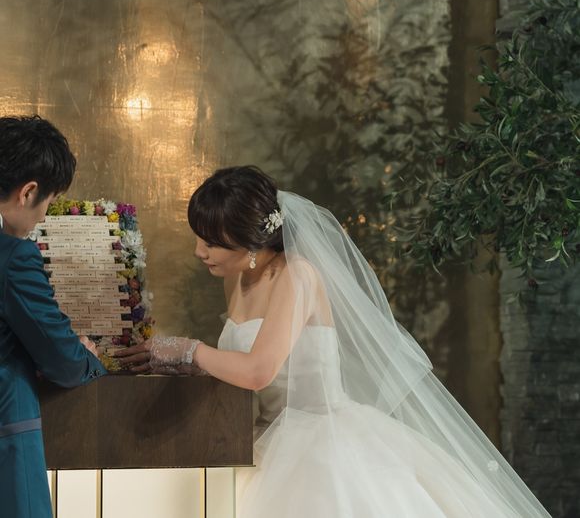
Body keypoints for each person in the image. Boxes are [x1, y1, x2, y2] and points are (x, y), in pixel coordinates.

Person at [118, 165, 550, 517]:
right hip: (262, 441)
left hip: (320, 442)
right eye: (198, 237)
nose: (200, 251)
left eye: (212, 242)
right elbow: (236, 368)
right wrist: (176, 363)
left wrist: (189, 351)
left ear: (251, 240)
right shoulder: (240, 278)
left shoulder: (297, 275)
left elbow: (258, 370)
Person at [0, 115, 107, 518]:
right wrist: (86, 357)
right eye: (48, 201)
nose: (44, 216)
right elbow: (61, 358)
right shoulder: (12, 256)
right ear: (28, 191)